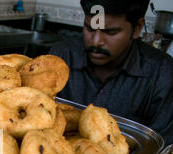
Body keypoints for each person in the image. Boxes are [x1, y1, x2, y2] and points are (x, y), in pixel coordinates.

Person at [49, 0, 173, 145]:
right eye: (89, 28)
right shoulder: (61, 56)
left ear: (137, 28)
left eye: (110, 32)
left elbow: (161, 148)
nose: (96, 42)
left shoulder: (161, 72)